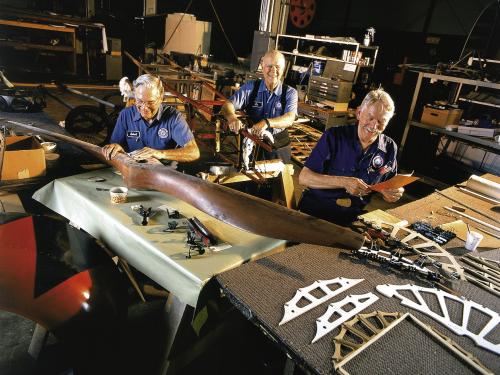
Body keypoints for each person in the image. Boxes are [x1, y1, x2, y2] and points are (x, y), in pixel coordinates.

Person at [298, 89, 404, 226]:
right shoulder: (334, 137)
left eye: (381, 121)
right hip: (316, 212)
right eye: (370, 117)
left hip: (352, 217)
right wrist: (343, 181)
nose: (374, 125)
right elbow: (304, 178)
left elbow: (389, 185)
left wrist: (393, 192)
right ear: (359, 113)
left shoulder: (389, 148)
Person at [221, 50, 298, 163]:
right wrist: (232, 117)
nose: (274, 71)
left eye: (278, 67)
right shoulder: (251, 88)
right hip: (253, 143)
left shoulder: (290, 93)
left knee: (279, 179)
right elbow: (228, 105)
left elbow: (290, 118)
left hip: (279, 147)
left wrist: (267, 123)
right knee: (249, 176)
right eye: (269, 66)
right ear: (262, 66)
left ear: (284, 69)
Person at [102, 74, 200, 162]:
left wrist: (159, 153)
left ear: (161, 97)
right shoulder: (125, 115)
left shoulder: (174, 117)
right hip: (133, 170)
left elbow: (194, 152)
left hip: (164, 173)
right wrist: (116, 147)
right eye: (139, 101)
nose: (144, 108)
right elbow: (115, 146)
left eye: (150, 102)